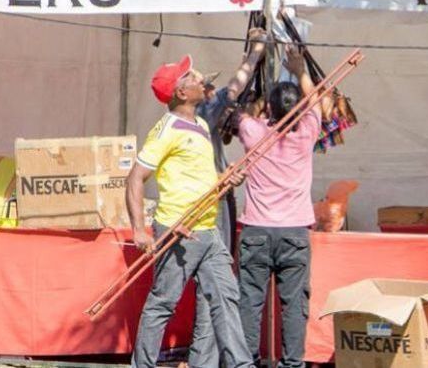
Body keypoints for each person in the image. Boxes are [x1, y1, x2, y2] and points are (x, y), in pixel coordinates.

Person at [126, 55, 254, 368]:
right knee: (162, 304)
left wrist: (226, 180)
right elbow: (135, 179)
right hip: (178, 231)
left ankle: (241, 365)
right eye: (192, 78)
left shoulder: (197, 123)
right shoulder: (166, 129)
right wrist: (140, 230)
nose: (201, 81)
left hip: (209, 231)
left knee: (226, 297)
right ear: (181, 92)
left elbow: (198, 176)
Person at [235, 46, 329, 368]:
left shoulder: (252, 131)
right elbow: (315, 102)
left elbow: (240, 108)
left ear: (270, 110)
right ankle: (293, 364)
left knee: (249, 302)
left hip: (257, 231)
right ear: (299, 111)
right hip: (293, 233)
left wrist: (254, 59)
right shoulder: (306, 134)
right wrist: (301, 69)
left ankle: (245, 362)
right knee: (294, 306)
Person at [190, 28, 266, 368]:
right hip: (212, 207)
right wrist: (255, 52)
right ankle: (211, 360)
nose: (209, 89)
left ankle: (215, 359)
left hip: (208, 203)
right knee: (216, 287)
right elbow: (236, 85)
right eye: (201, 84)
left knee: (212, 286)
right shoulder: (202, 115)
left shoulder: (183, 120)